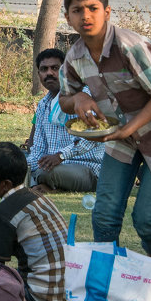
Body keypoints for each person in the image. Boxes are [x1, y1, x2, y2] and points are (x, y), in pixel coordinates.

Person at [58, 0, 151, 259]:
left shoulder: (131, 46)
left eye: (93, 8)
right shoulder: (74, 57)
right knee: (104, 216)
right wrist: (79, 98)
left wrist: (127, 128)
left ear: (107, 11)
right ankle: (109, 275)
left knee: (147, 218)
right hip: (121, 138)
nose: (86, 16)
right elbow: (64, 99)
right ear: (67, 17)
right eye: (77, 10)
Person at [0, 142, 67, 301]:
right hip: (64, 287)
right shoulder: (36, 197)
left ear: (6, 184)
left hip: (37, 292)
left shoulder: (2, 213)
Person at [25, 47, 103, 192]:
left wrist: (61, 155)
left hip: (87, 168)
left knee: (45, 173)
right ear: (38, 74)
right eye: (44, 69)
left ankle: (48, 186)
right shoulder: (44, 104)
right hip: (53, 166)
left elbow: (93, 138)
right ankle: (48, 187)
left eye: (55, 68)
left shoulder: (84, 97)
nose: (49, 73)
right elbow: (38, 149)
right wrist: (24, 166)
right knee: (24, 166)